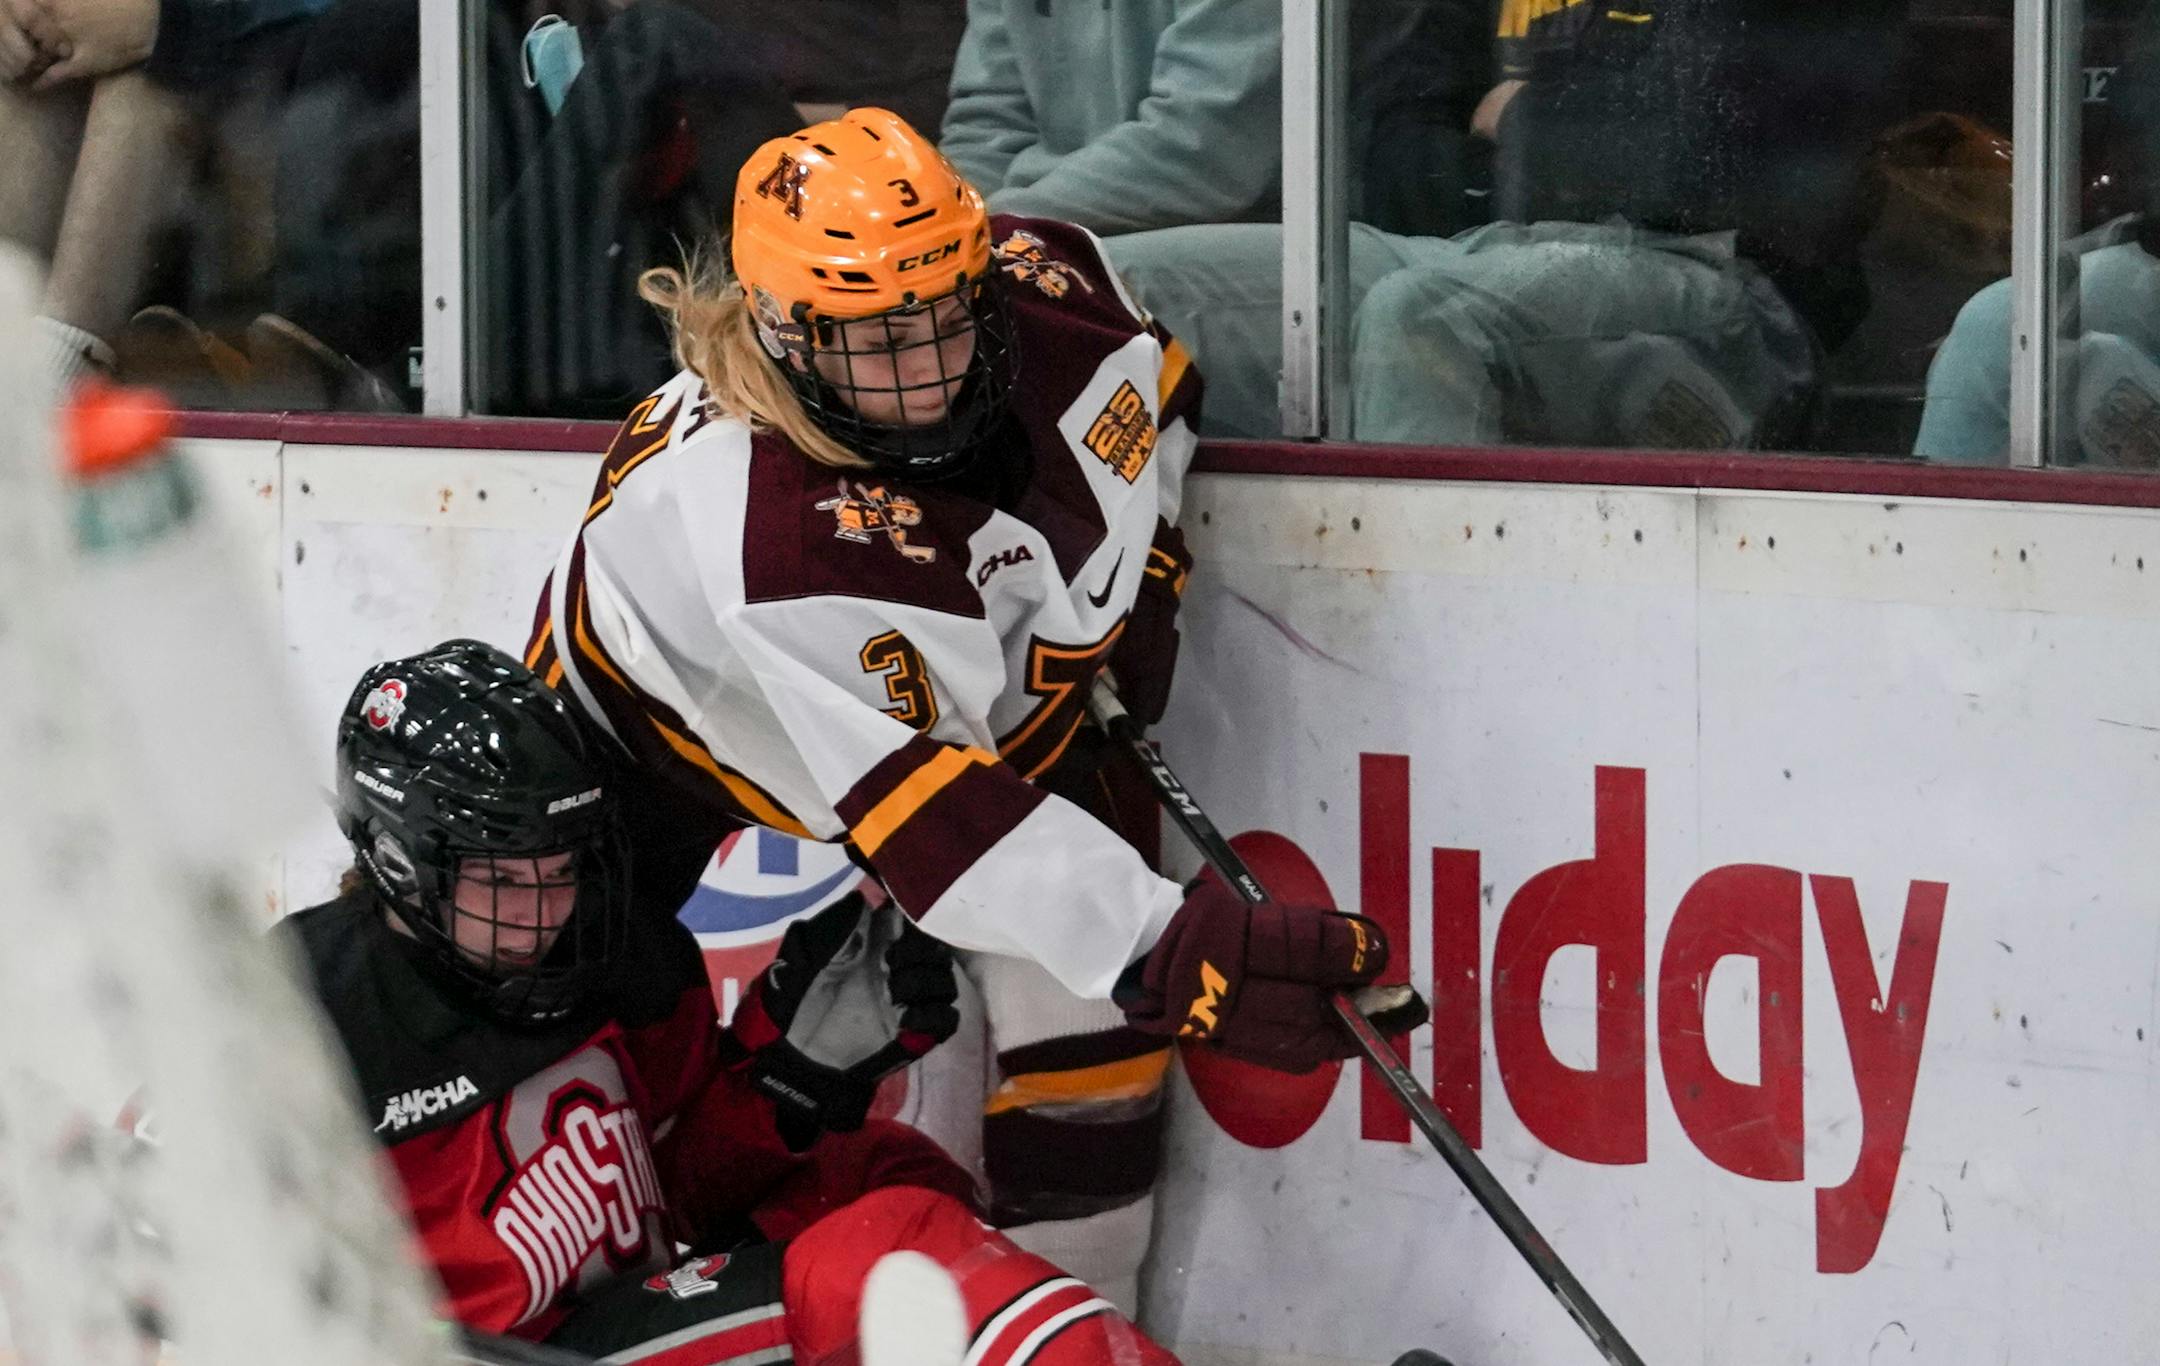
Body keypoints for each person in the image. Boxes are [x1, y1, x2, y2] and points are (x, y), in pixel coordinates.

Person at [522, 107, 1427, 1314]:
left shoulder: (1052, 289)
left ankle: (1071, 1324)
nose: (930, 363)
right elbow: (948, 823)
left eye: (946, 312)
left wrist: (1145, 579)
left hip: (960, 701)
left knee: (1094, 1044)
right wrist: (1171, 946)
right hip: (655, 720)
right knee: (563, 990)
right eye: (874, 339)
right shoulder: (775, 527)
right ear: (784, 335)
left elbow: (1162, 397)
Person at [285, 637, 1183, 1366]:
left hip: (621, 1318)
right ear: (404, 864)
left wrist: (790, 1075)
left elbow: (673, 1191)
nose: (544, 910)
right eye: (501, 880)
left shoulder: (614, 950)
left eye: (558, 871)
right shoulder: (300, 1013)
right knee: (891, 1259)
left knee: (892, 1177)